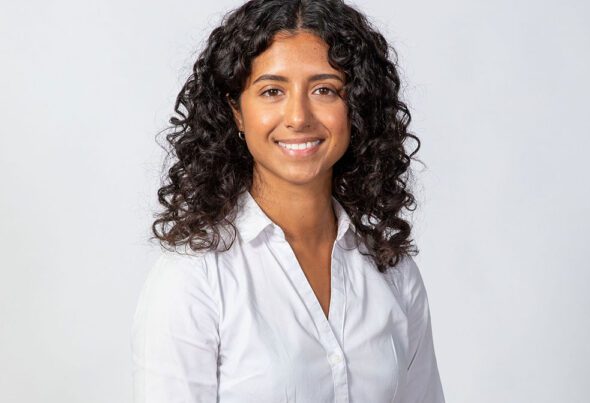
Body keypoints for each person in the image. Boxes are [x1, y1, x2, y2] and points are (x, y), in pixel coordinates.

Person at [131, 0, 445, 402]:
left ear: (356, 106)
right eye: (272, 91)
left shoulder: (393, 273)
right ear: (237, 111)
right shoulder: (194, 278)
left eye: (324, 90)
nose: (298, 117)